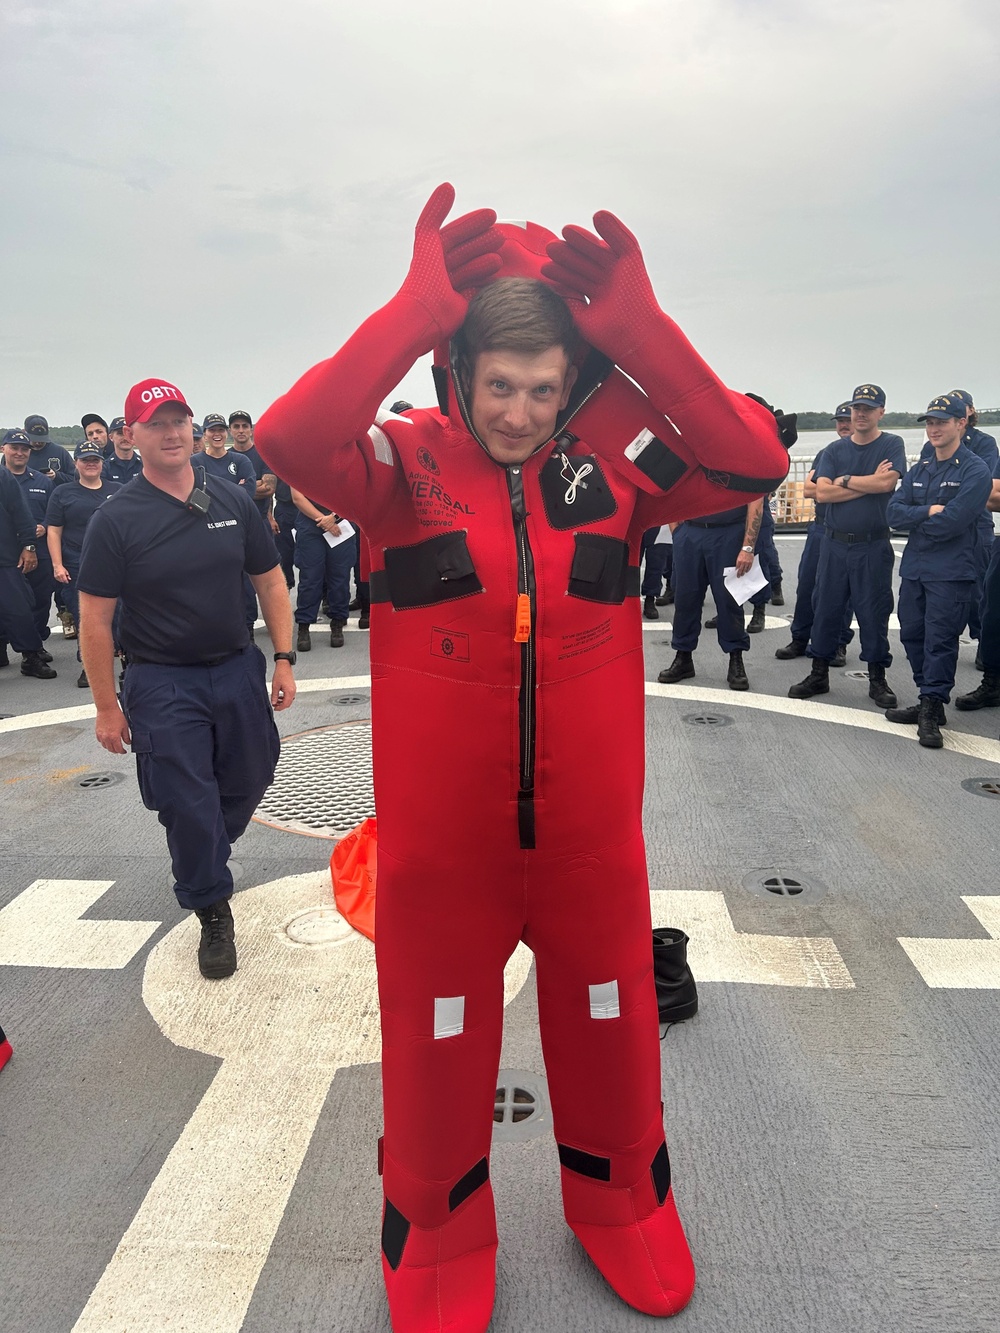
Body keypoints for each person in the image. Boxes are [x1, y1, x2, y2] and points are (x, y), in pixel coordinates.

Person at [257, 184, 788, 1331]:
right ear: (460, 373)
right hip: (448, 862)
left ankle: (621, 1207)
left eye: (544, 388)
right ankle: (436, 1227)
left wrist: (638, 331)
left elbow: (748, 460)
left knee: (610, 1031)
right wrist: (407, 309)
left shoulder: (622, 468)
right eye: (499, 385)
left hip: (590, 852)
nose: (519, 411)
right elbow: (288, 438)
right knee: (437, 1047)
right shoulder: (399, 469)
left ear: (573, 381)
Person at [77, 379, 296, 981]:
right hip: (161, 682)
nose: (172, 433)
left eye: (180, 421)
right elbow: (94, 620)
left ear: (193, 431)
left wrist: (282, 657)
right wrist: (105, 707)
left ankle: (202, 854)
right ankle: (209, 903)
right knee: (187, 800)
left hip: (235, 669)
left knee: (252, 775)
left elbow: (271, 581)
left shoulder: (230, 498)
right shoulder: (115, 520)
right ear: (132, 436)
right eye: (156, 424)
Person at [884, 393, 991, 746]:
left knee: (941, 641)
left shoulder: (975, 470)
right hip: (916, 569)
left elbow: (954, 523)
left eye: (942, 421)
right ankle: (926, 696)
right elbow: (892, 513)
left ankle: (932, 706)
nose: (933, 428)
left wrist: (919, 518)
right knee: (912, 635)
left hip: (951, 571)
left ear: (961, 423)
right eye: (930, 422)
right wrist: (926, 512)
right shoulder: (922, 468)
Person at [789, 383, 905, 707]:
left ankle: (877, 678)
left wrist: (844, 480)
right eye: (857, 409)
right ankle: (818, 672)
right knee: (825, 607)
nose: (861, 414)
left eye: (868, 408)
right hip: (834, 544)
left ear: (881, 412)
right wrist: (866, 483)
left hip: (873, 544)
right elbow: (821, 492)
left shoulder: (891, 444)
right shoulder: (833, 451)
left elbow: (887, 482)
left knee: (873, 612)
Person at [776, 402, 855, 663]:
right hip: (820, 527)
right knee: (807, 584)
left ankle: (838, 643)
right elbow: (810, 490)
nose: (843, 424)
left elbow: (820, 488)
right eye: (839, 420)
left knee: (842, 592)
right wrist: (855, 487)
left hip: (847, 530)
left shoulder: (866, 454)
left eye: (847, 419)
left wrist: (830, 487)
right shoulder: (827, 452)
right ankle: (800, 638)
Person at [658, 497, 763, 689]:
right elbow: (673, 490)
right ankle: (683, 656)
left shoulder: (742, 465)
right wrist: (678, 533)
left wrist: (747, 547)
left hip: (728, 532)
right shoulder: (692, 464)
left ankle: (736, 658)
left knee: (729, 600)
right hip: (690, 533)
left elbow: (755, 500)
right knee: (685, 599)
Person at [46, 441, 122, 687]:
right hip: (77, 562)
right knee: (86, 618)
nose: (90, 464)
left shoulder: (118, 489)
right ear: (76, 463)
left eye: (95, 459)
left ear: (102, 463)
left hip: (115, 562)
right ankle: (87, 667)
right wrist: (58, 565)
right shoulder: (63, 493)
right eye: (85, 459)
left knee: (122, 615)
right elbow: (54, 531)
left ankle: (128, 660)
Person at [1, 429, 56, 658]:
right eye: (14, 447)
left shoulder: (39, 480)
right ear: (3, 448)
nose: (20, 453)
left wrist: (33, 541)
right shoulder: (4, 475)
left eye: (24, 449)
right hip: (8, 552)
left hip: (24, 551)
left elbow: (49, 514)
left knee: (31, 603)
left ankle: (33, 651)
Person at [289, 489, 355, 649]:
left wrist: (334, 518)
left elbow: (354, 492)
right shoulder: (301, 463)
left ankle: (338, 623)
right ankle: (304, 626)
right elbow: (298, 498)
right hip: (310, 525)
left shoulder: (343, 463)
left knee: (340, 576)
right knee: (310, 578)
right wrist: (324, 520)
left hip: (340, 523)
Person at [639, 525, 671, 619]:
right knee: (632, 563)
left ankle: (650, 598)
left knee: (656, 564)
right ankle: (629, 599)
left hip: (659, 522)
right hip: (635, 519)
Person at [102, 417, 144, 485]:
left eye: (129, 433)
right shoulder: (104, 468)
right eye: (120, 433)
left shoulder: (145, 465)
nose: (125, 438)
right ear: (111, 437)